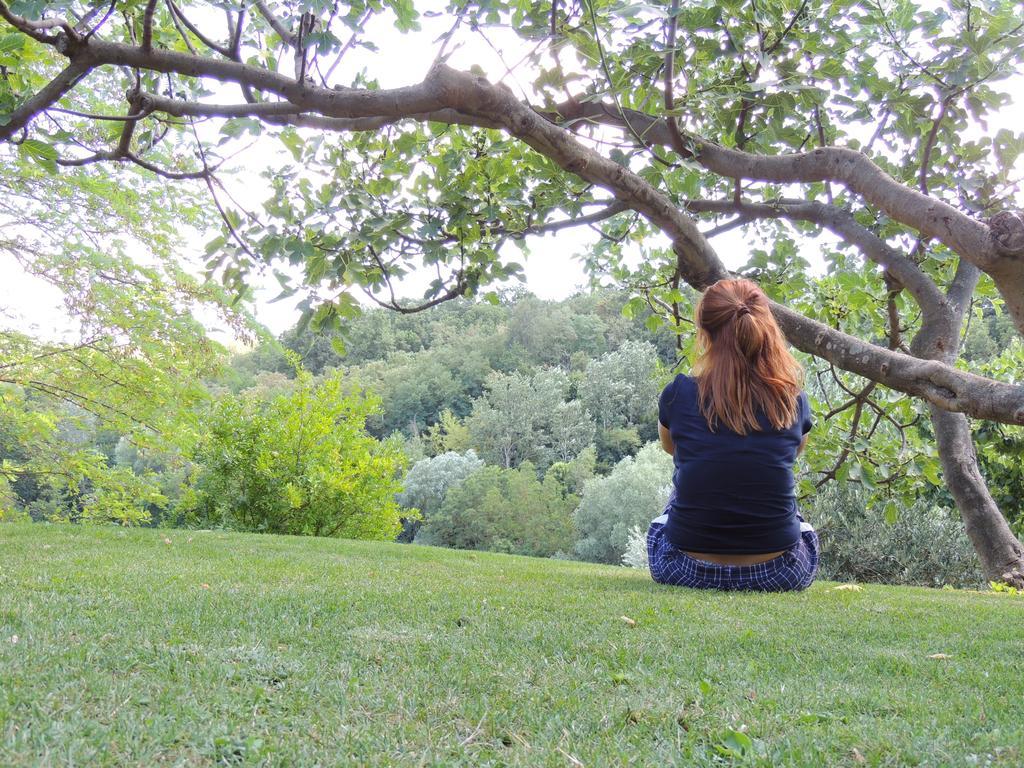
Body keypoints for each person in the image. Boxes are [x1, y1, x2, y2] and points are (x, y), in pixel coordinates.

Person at [647, 278, 819, 591]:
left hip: (684, 569)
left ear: (704, 330)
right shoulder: (792, 400)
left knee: (677, 497)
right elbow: (793, 453)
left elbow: (671, 448)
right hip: (780, 574)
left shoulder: (678, 394)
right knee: (788, 503)